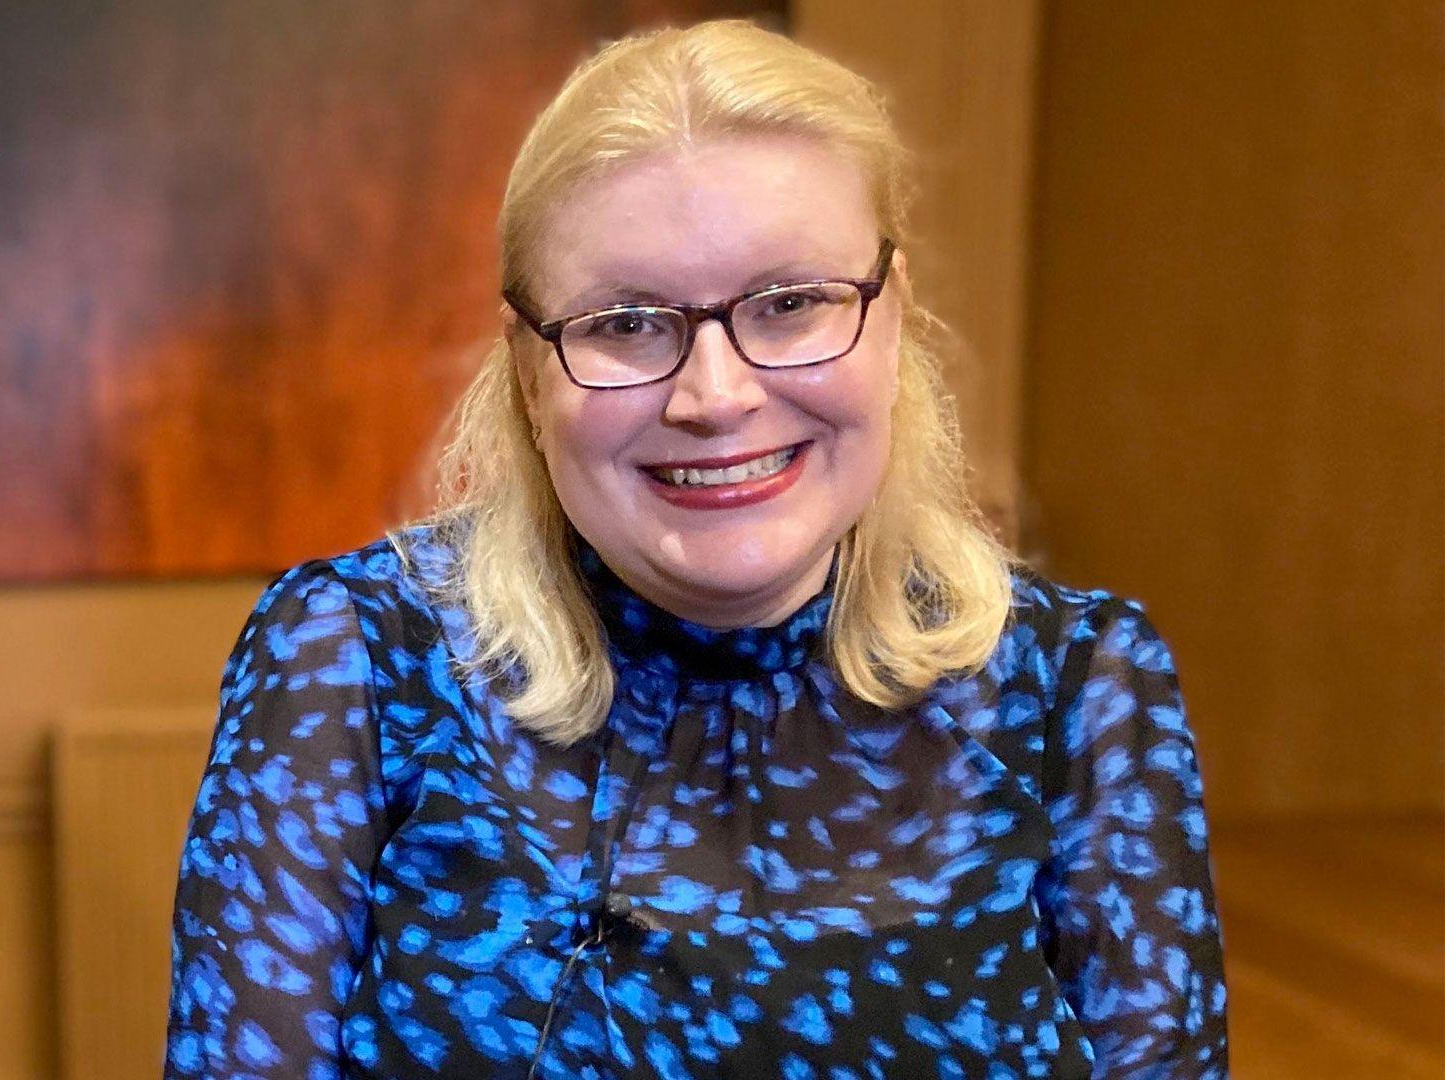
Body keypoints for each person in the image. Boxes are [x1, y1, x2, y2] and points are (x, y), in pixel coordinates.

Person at [164, 17, 1230, 1079]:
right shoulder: (355, 660)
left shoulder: (1079, 689)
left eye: (791, 303)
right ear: (532, 373)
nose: (714, 397)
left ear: (891, 319)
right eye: (626, 324)